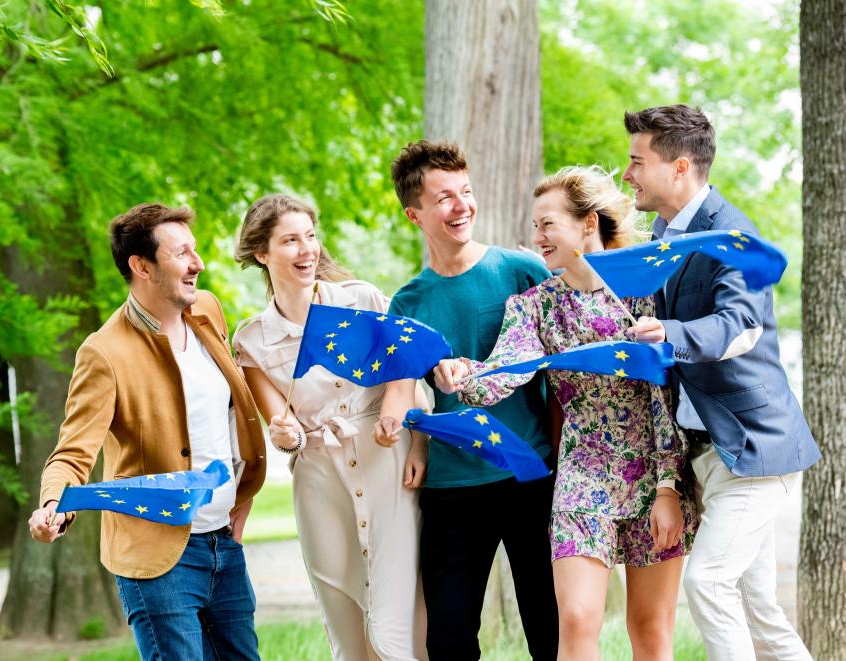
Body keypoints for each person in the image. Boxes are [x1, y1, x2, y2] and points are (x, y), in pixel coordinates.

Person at [435, 166, 697, 661]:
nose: (537, 237)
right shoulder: (533, 306)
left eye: (548, 224)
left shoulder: (643, 291)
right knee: (575, 621)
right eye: (536, 226)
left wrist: (668, 489)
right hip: (583, 473)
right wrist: (460, 376)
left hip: (654, 471)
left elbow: (664, 397)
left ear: (588, 224)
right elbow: (506, 369)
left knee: (651, 629)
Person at [622, 104, 821, 661]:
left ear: (680, 167)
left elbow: (741, 327)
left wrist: (669, 332)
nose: (627, 174)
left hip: (754, 449)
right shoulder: (663, 232)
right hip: (708, 454)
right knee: (762, 613)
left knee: (707, 581)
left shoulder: (732, 234)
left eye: (637, 162)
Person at [28, 203, 266, 661]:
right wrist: (53, 505)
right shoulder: (104, 352)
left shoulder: (207, 312)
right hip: (157, 558)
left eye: (194, 250)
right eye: (181, 254)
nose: (197, 263)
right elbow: (73, 451)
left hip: (223, 543)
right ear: (142, 266)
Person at [373, 140, 559, 661]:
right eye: (444, 198)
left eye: (466, 192)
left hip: (530, 473)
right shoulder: (408, 302)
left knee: (551, 629)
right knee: (448, 640)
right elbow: (404, 388)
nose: (462, 206)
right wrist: (412, 441)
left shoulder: (522, 273)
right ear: (415, 214)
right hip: (453, 487)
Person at [232, 194, 428, 661]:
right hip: (321, 483)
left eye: (311, 236)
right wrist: (286, 436)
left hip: (387, 465)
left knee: (394, 618)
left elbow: (408, 364)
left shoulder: (360, 299)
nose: (307, 250)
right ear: (263, 253)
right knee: (343, 618)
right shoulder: (251, 339)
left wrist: (412, 438)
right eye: (290, 241)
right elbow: (285, 427)